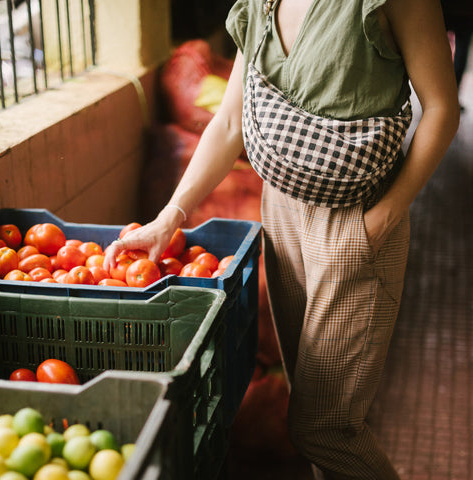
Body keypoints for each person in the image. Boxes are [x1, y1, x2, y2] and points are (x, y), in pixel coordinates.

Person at [104, 0, 459, 478]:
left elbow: (440, 107)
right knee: (308, 410)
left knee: (325, 429)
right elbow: (230, 121)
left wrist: (379, 222)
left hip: (354, 223)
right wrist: (169, 217)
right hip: (281, 215)